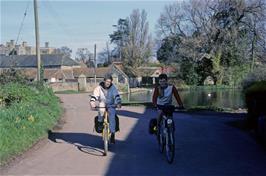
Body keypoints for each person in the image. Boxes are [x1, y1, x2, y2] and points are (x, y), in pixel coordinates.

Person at [90, 73, 122, 144]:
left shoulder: (113, 88)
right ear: (104, 81)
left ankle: (113, 134)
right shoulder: (99, 88)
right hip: (102, 103)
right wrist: (92, 102)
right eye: (107, 81)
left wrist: (118, 103)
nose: (108, 83)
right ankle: (100, 123)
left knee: (112, 116)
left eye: (110, 82)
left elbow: (116, 96)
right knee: (101, 110)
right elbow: (94, 95)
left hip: (111, 104)